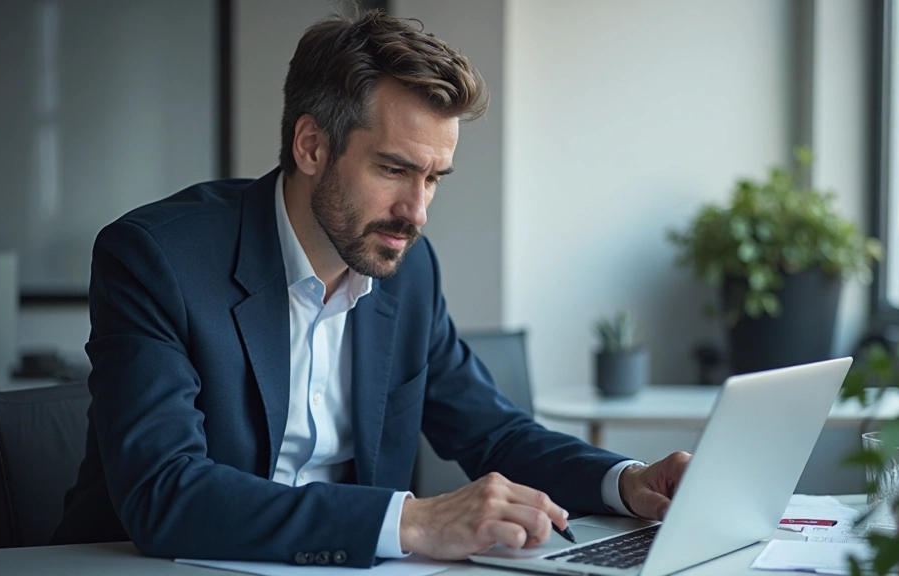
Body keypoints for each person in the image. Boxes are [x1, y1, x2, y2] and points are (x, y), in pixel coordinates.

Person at [52, 10, 690, 567]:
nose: (416, 212)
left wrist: (627, 481)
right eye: (394, 169)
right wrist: (411, 522)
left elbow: (493, 434)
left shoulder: (408, 270)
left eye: (434, 178)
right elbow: (165, 491)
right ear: (311, 145)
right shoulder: (156, 258)